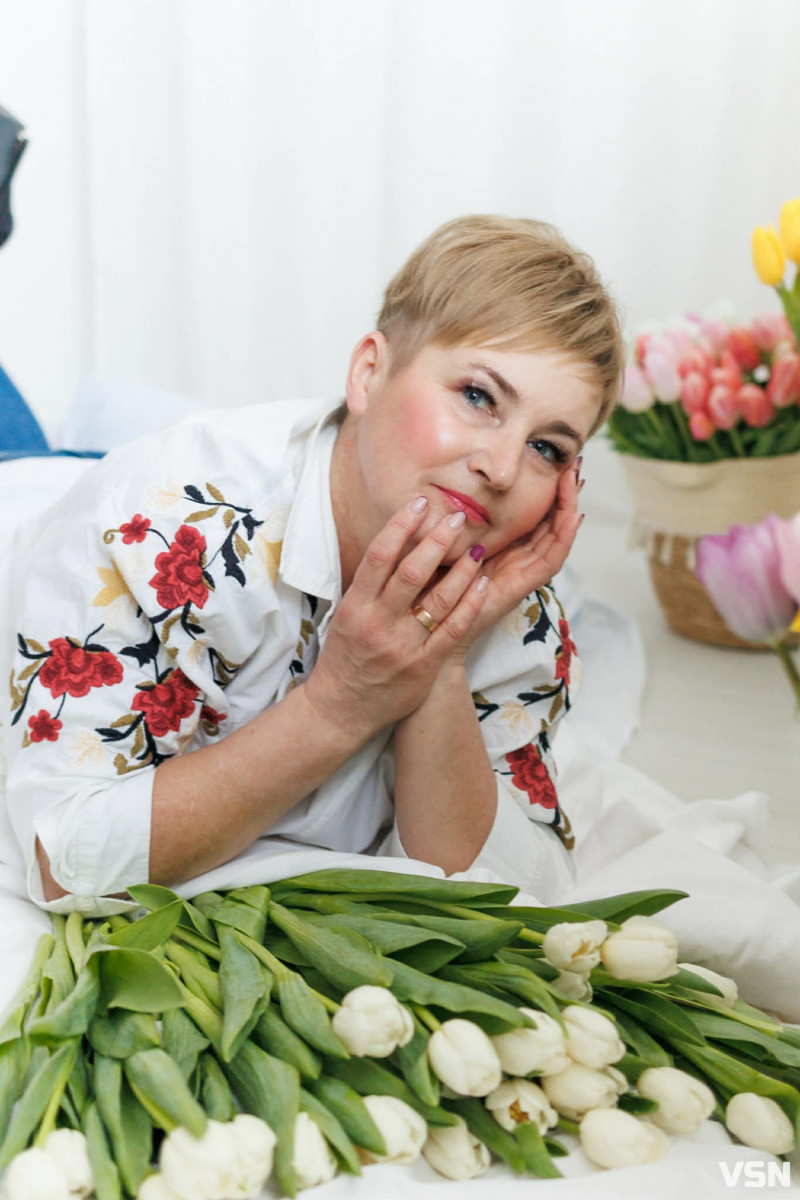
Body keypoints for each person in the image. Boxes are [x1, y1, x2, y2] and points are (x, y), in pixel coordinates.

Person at [1, 215, 623, 915]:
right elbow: (64, 863)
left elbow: (508, 898)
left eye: (549, 448)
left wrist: (437, 657)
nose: (503, 468)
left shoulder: (512, 602)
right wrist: (341, 703)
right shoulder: (163, 527)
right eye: (478, 397)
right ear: (368, 371)